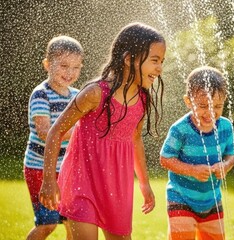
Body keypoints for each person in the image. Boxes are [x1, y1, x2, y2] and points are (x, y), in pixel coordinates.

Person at [39, 22, 166, 240]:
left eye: (162, 62)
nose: (159, 68)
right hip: (82, 182)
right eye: (154, 61)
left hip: (117, 188)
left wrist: (144, 184)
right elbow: (56, 131)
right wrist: (49, 180)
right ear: (128, 59)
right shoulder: (95, 93)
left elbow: (135, 140)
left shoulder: (142, 99)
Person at [160, 66, 234, 240]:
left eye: (218, 106)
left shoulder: (225, 127)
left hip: (212, 199)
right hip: (181, 198)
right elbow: (165, 159)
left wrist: (225, 165)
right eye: (203, 106)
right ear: (188, 101)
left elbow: (231, 156)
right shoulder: (181, 129)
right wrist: (192, 170)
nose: (211, 112)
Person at [24, 35, 84, 240]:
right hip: (40, 168)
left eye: (76, 68)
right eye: (64, 65)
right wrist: (78, 130)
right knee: (47, 223)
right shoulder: (41, 94)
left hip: (67, 169)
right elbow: (45, 132)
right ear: (47, 64)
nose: (70, 73)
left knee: (73, 224)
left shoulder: (77, 95)